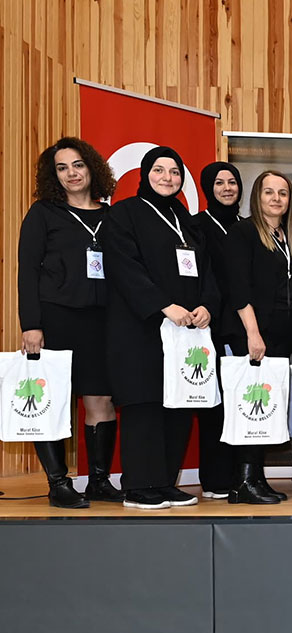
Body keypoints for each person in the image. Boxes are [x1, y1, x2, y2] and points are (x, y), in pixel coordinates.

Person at [102, 146, 218, 509]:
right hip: (141, 329)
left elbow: (207, 272)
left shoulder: (186, 219)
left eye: (174, 172)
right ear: (144, 174)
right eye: (159, 170)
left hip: (186, 331)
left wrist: (206, 306)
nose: (168, 178)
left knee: (179, 404)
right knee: (145, 404)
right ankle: (139, 486)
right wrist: (164, 306)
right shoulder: (124, 215)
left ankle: (165, 482)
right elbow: (124, 268)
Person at [18, 137, 121, 508]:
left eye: (77, 165)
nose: (71, 174)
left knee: (101, 399)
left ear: (92, 167)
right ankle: (58, 484)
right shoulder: (43, 213)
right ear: (53, 176)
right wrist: (31, 323)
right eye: (61, 168)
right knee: (53, 400)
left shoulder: (112, 216)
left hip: (103, 320)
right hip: (55, 318)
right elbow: (27, 271)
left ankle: (98, 481)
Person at [222, 170, 292, 502]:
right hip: (252, 335)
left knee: (266, 408)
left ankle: (255, 479)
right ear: (256, 197)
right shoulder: (242, 233)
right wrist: (252, 332)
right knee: (252, 406)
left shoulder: (290, 238)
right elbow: (238, 287)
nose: (276, 198)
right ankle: (243, 482)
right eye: (269, 192)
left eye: (283, 193)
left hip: (281, 336)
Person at [190, 162, 243, 500]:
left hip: (243, 327)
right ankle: (215, 477)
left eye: (232, 182)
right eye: (219, 183)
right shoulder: (195, 226)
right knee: (214, 405)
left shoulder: (248, 226)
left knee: (241, 399)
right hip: (209, 326)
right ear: (208, 188)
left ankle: (243, 474)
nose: (227, 188)